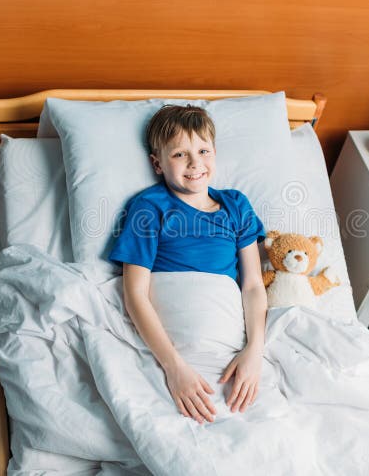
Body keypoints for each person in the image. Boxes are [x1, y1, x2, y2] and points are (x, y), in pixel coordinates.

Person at [109, 105, 268, 425]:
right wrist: (173, 367)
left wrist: (255, 351)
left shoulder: (236, 205)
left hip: (228, 338)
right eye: (180, 154)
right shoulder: (149, 207)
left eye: (203, 150)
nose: (196, 163)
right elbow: (135, 293)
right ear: (158, 163)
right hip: (176, 344)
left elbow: (252, 284)